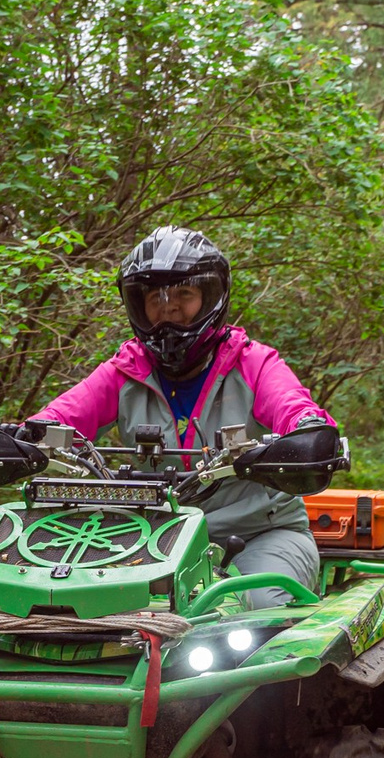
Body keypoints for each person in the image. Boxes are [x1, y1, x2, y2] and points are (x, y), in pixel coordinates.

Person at [28, 226, 336, 596]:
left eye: (183, 294)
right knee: (74, 601)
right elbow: (58, 419)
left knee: (257, 608)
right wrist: (22, 439)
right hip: (153, 537)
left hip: (259, 534)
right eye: (155, 297)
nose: (168, 307)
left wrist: (308, 431)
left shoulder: (253, 363)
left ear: (211, 299)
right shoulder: (125, 370)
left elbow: (294, 407)